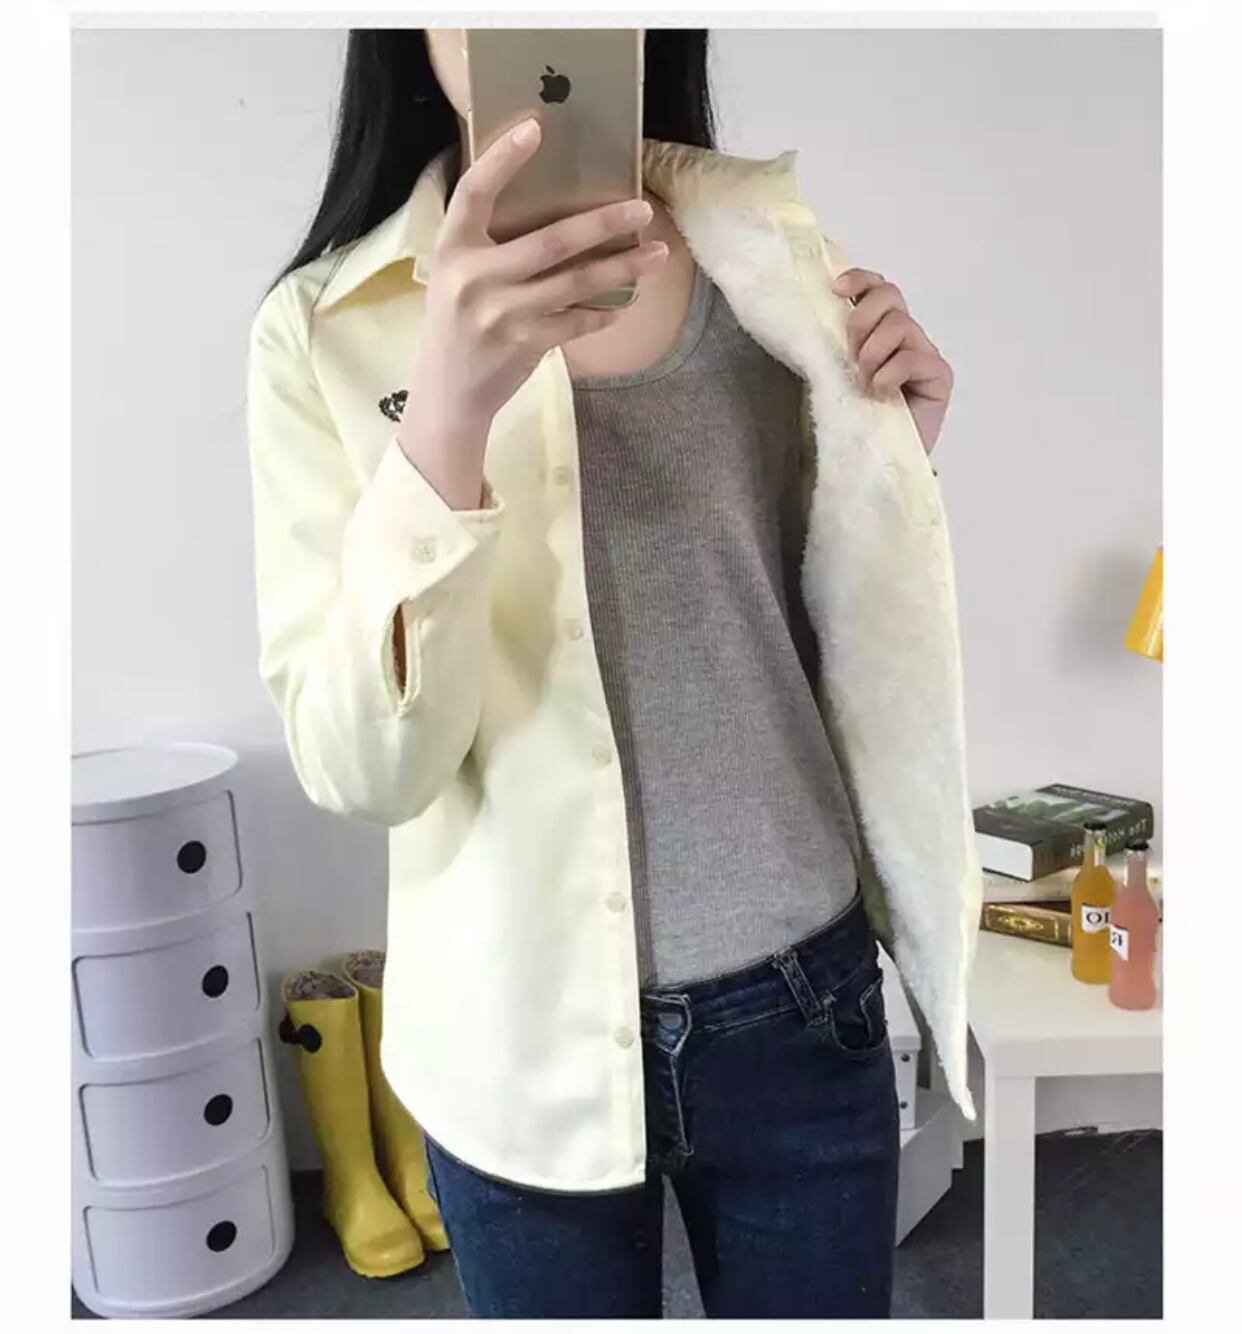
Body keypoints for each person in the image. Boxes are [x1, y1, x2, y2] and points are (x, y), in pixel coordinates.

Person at [246, 27, 981, 1320]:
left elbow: (797, 626)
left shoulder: (767, 258)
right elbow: (362, 769)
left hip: (798, 999)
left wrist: (891, 464)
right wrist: (447, 416)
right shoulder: (324, 329)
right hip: (508, 1026)